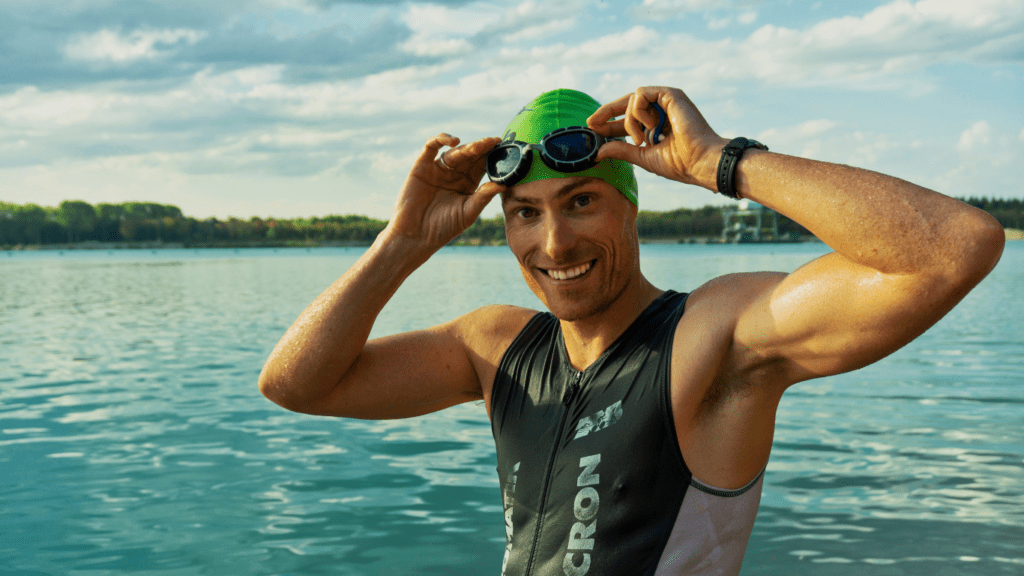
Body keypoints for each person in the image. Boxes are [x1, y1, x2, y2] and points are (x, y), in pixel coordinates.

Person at [258, 86, 1004, 576]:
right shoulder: (496, 351)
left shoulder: (712, 339)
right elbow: (295, 383)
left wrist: (721, 163)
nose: (554, 245)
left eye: (582, 202)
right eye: (527, 214)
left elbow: (953, 249)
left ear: (630, 208)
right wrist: (404, 243)